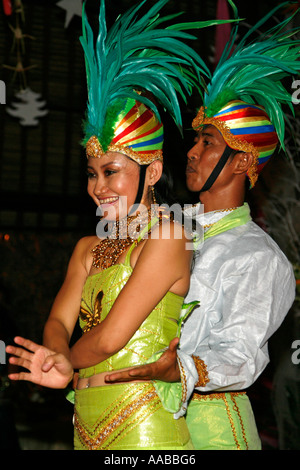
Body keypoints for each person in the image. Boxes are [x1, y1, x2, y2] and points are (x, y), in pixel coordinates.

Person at [5, 0, 230, 451]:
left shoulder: (170, 236)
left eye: (111, 172)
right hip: (82, 423)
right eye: (91, 173)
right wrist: (53, 350)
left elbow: (108, 339)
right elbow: (57, 319)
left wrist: (64, 361)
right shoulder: (88, 247)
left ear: (152, 170)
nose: (97, 187)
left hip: (144, 426)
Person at [104, 3, 299, 450]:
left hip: (210, 426)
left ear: (244, 161)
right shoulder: (166, 229)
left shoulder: (257, 256)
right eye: (195, 140)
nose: (191, 152)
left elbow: (239, 355)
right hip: (139, 416)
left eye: (207, 142)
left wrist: (182, 369)